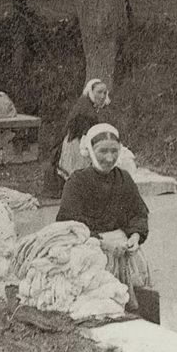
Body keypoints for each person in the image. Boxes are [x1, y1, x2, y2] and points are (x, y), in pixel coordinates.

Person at [55, 123, 152, 311]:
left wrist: (135, 236)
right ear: (90, 151)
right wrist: (101, 242)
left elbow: (138, 213)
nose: (109, 158)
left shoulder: (124, 179)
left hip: (123, 250)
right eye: (103, 151)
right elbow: (68, 226)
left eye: (114, 151)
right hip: (89, 252)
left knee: (137, 298)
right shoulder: (77, 182)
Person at [45, 78, 111, 198]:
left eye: (105, 93)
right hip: (75, 144)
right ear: (91, 92)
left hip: (78, 140)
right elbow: (85, 136)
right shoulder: (86, 110)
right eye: (99, 92)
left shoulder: (87, 103)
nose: (102, 96)